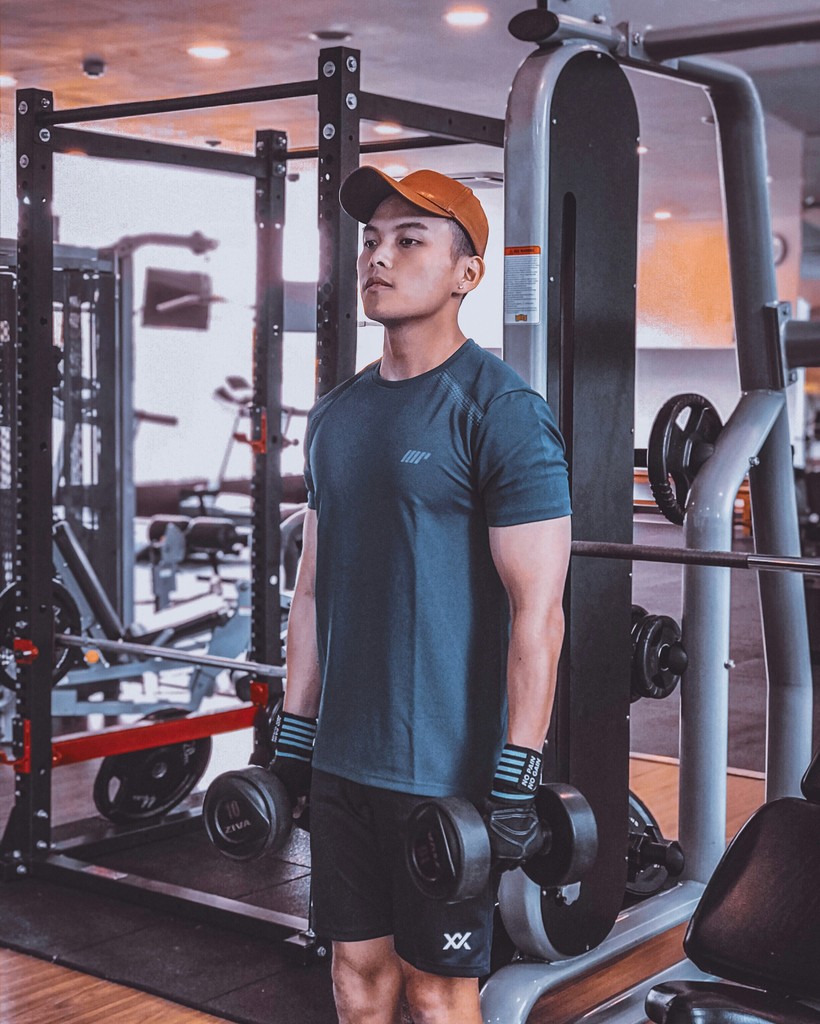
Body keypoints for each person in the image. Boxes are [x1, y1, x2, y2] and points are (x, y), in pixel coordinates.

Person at [272, 167, 572, 1024]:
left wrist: (515, 776)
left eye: (410, 240)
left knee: (440, 993)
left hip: (444, 771)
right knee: (355, 977)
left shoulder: (501, 410)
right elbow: (312, 590)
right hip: (343, 762)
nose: (379, 256)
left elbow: (538, 615)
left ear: (466, 274)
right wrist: (295, 737)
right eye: (371, 239)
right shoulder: (336, 414)